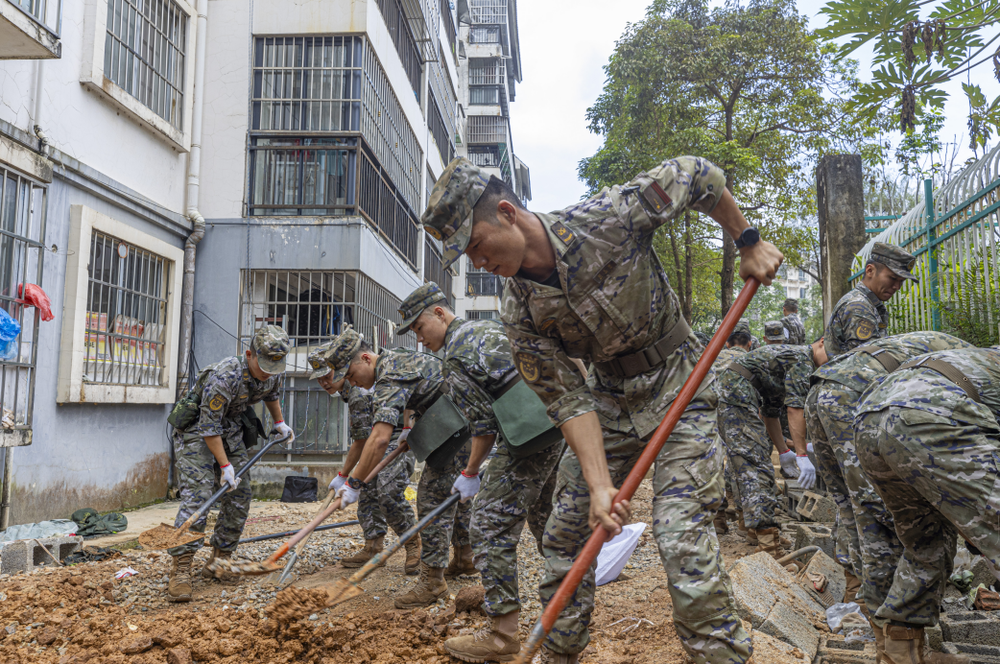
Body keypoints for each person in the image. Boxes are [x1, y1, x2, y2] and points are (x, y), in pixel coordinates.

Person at [421, 155, 784, 664]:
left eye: (475, 245)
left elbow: (699, 174)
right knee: (566, 535)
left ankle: (720, 657)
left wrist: (748, 241)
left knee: (680, 537)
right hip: (608, 403)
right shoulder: (518, 311)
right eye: (465, 256)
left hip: (682, 386)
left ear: (506, 212)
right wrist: (599, 486)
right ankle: (559, 654)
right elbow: (567, 399)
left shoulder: (610, 217)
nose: (475, 262)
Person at [396, 282, 566, 662]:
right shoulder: (487, 327)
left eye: (420, 328)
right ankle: (566, 616)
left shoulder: (456, 353)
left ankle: (503, 636)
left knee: (488, 525)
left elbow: (483, 425)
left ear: (440, 313)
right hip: (557, 422)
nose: (420, 339)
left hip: (526, 434)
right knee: (547, 519)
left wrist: (471, 471)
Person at [853, 346, 999, 664]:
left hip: (869, 419)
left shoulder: (976, 358)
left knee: (927, 542)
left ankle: (901, 653)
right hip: (930, 415)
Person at [805, 332, 971, 608]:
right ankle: (889, 618)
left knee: (850, 503)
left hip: (822, 387)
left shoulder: (967, 357)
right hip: (854, 393)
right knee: (881, 508)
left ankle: (860, 600)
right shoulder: (980, 374)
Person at [323, 327, 473, 609]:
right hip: (458, 419)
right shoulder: (398, 359)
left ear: (366, 358)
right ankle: (465, 558)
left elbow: (378, 439)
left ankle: (433, 583)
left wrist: (353, 484)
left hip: (457, 424)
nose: (354, 383)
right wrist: (410, 424)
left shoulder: (387, 377)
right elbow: (422, 389)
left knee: (432, 499)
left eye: (353, 375)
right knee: (455, 493)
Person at [166, 326, 292, 602]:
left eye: (275, 365)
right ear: (249, 354)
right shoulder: (225, 376)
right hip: (197, 433)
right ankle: (181, 568)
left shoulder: (271, 371)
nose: (270, 371)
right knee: (199, 497)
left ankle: (219, 560)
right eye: (265, 364)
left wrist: (279, 422)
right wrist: (225, 467)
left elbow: (271, 394)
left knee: (241, 493)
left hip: (231, 429)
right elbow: (208, 428)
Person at [308, 341, 420, 575]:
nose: (324, 382)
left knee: (387, 489)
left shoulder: (358, 392)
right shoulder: (351, 390)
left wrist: (344, 476)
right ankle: (373, 547)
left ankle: (413, 545)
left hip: (398, 436)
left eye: (327, 375)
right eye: (318, 378)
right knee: (366, 490)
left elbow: (362, 441)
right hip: (379, 437)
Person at [717, 337, 828, 558]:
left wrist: (784, 452)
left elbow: (771, 413)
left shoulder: (789, 362)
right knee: (756, 466)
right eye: (832, 355)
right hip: (736, 393)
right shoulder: (802, 360)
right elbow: (794, 410)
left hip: (738, 391)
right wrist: (802, 455)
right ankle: (768, 544)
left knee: (755, 462)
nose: (831, 363)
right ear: (822, 342)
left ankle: (758, 531)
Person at [824, 243, 917, 358]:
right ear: (870, 271)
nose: (897, 287)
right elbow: (870, 362)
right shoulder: (858, 307)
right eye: (892, 278)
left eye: (901, 281)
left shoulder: (867, 303)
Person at [709, 327, 753, 536]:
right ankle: (746, 521)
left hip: (711, 412)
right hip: (740, 414)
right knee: (741, 463)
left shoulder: (714, 357)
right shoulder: (752, 358)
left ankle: (718, 518)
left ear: (727, 343)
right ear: (749, 344)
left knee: (715, 462)